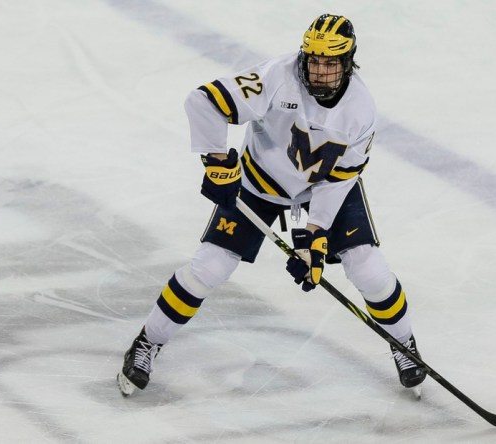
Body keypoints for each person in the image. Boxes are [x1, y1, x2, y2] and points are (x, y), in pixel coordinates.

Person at [117, 13, 426, 396]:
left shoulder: (361, 110)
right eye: (313, 60)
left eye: (330, 63)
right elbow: (203, 102)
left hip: (321, 189)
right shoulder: (275, 78)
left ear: (348, 63)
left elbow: (341, 178)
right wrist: (216, 162)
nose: (319, 71)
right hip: (258, 183)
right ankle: (148, 342)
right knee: (208, 268)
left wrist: (315, 235)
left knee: (369, 270)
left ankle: (404, 345)